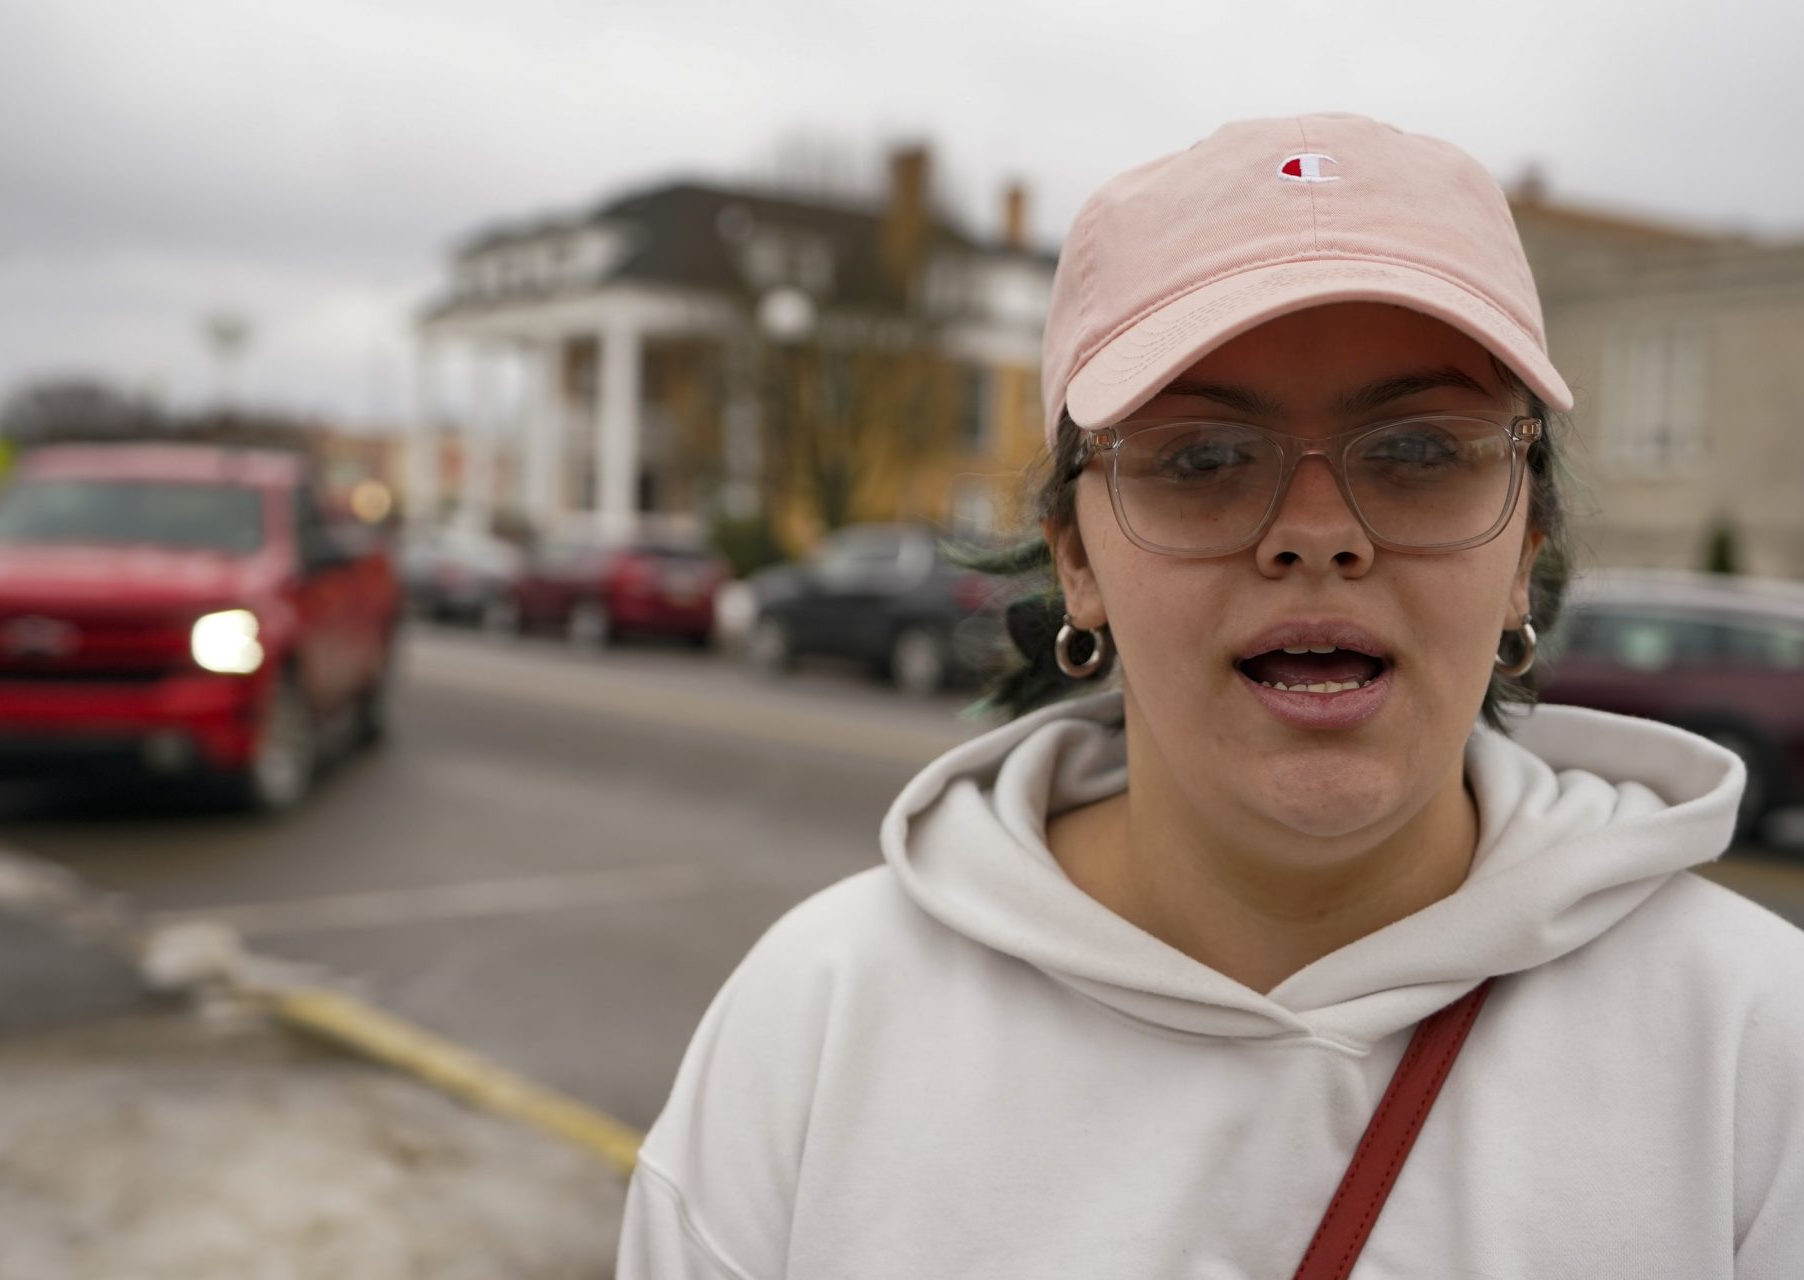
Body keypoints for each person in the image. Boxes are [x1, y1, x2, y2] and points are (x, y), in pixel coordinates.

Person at [617, 114, 1804, 1278]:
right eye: (1201, 458)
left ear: (1524, 537)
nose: (1319, 536)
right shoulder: (821, 1023)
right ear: (1075, 556)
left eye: (1418, 449)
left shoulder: (1755, 1054)